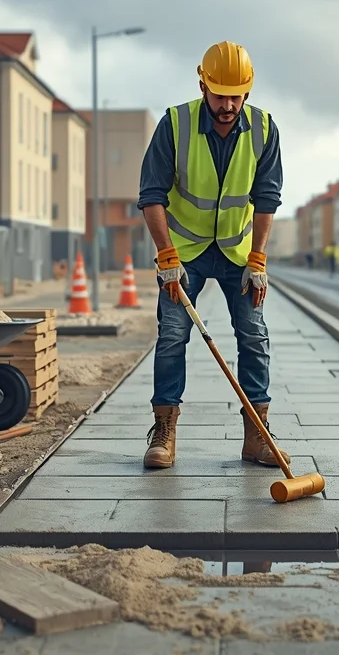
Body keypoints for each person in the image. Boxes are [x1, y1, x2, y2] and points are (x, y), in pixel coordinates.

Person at [135, 40, 291, 471]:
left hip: (238, 252)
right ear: (202, 85)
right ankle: (164, 432)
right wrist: (166, 255)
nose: (227, 104)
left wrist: (258, 260)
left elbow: (266, 198)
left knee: (254, 336)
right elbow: (151, 195)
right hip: (184, 253)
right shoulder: (175, 124)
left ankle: (257, 435)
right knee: (171, 336)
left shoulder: (263, 129)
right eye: (219, 94)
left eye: (235, 96)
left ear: (248, 91)